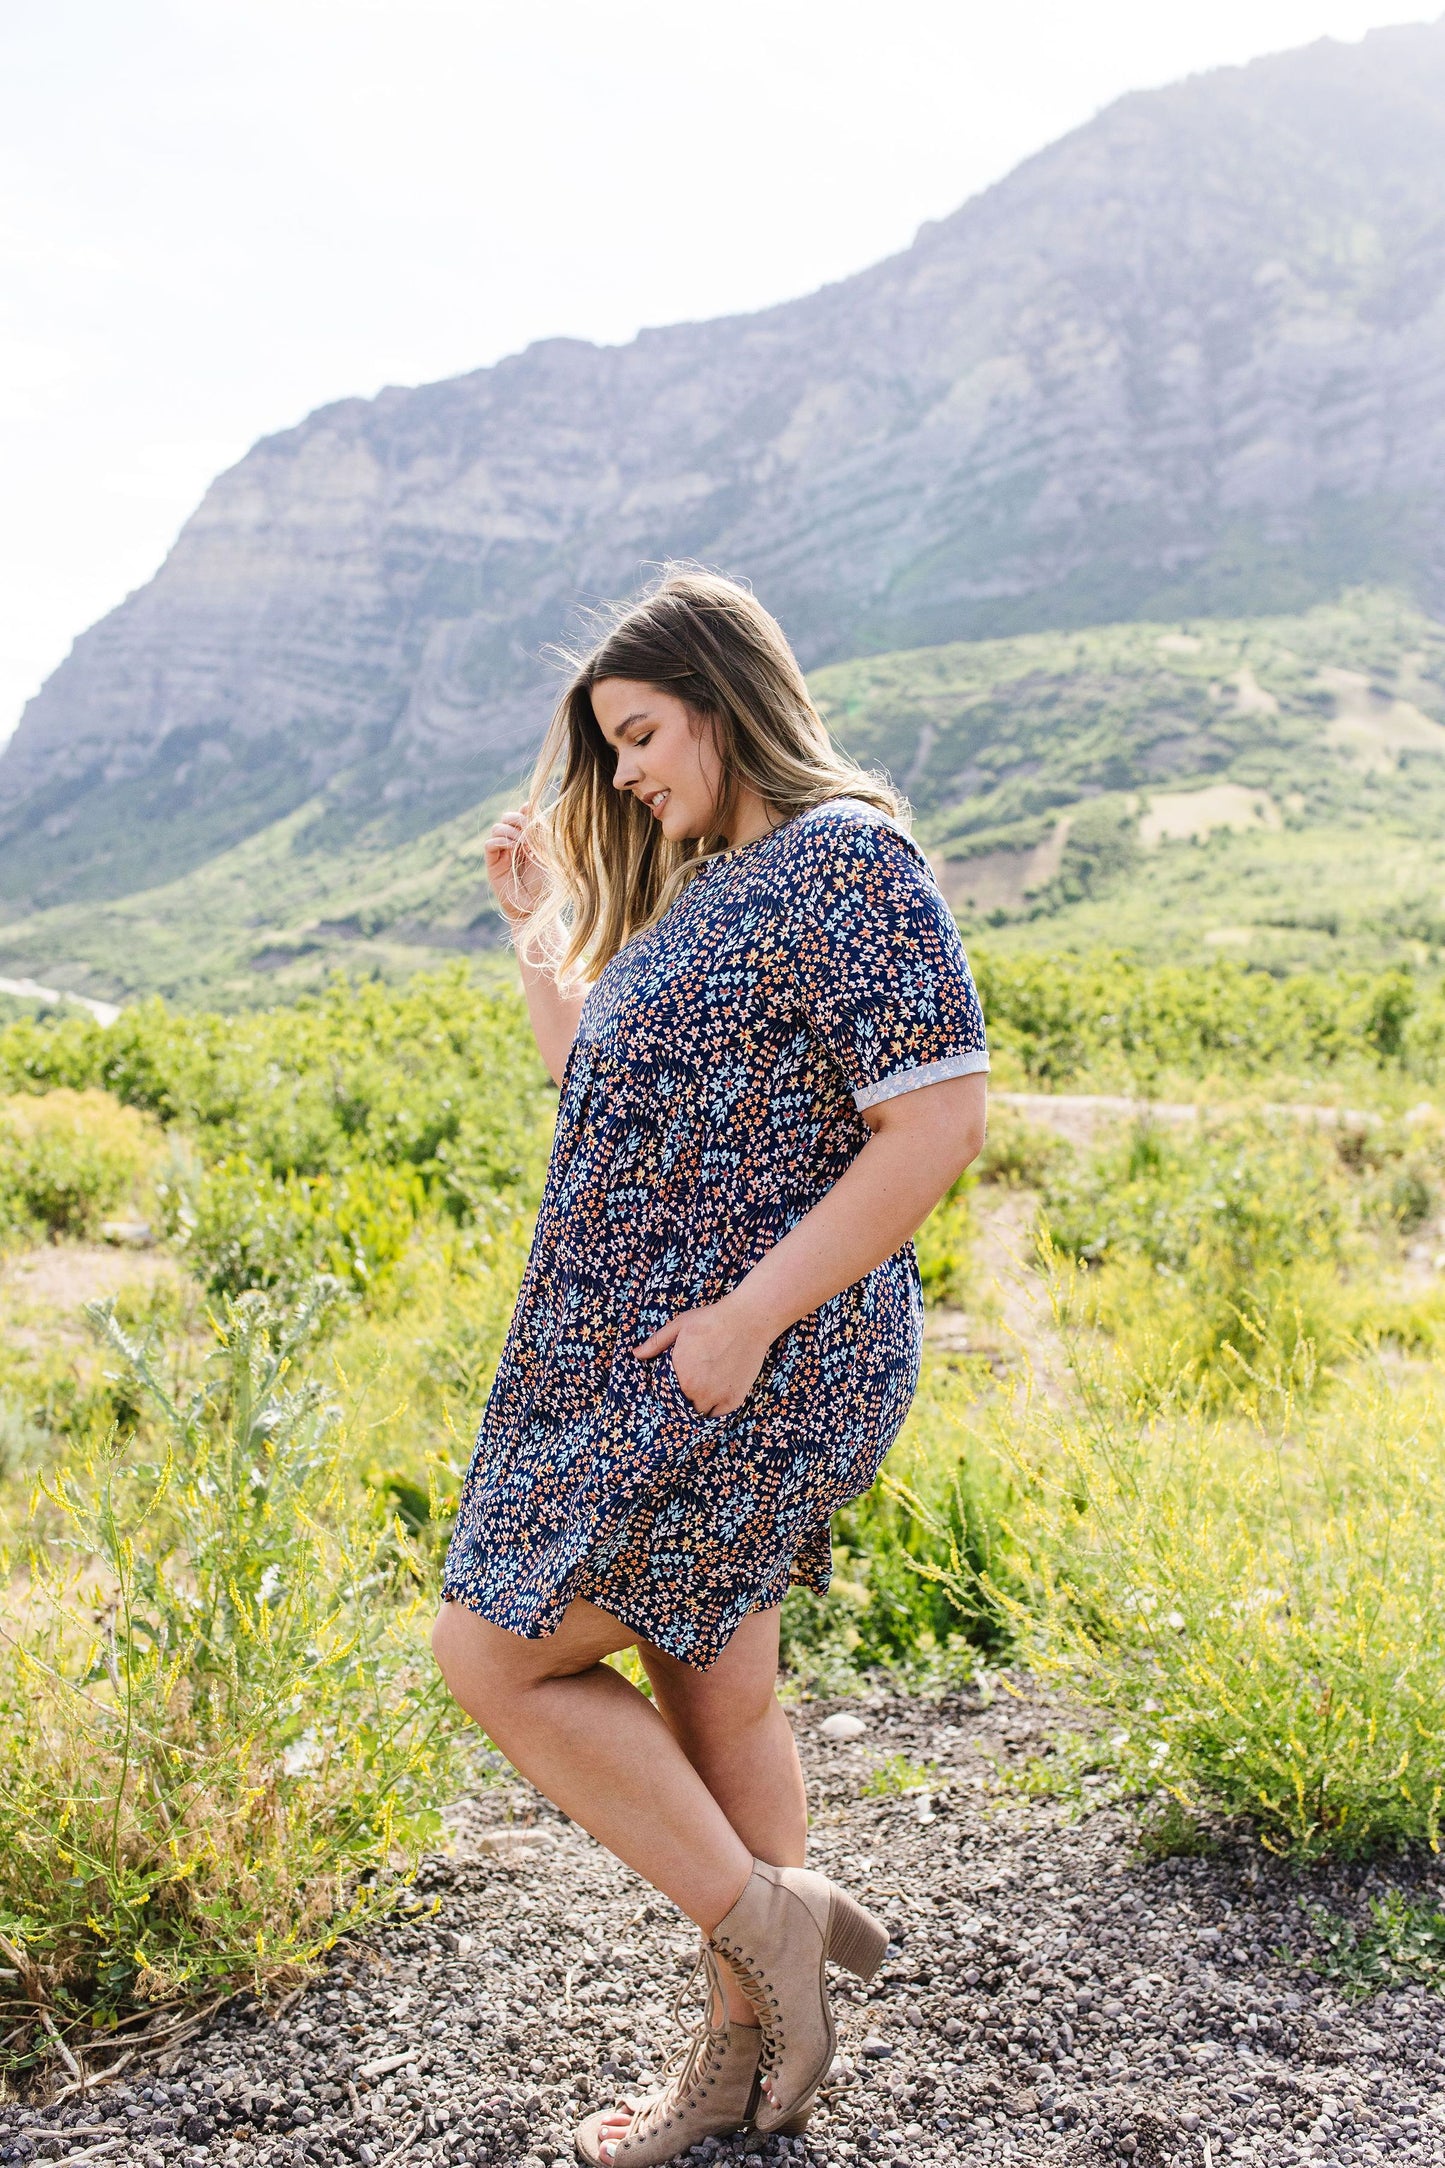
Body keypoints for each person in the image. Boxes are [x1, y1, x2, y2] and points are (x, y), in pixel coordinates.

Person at [432, 568, 988, 2167]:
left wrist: (745, 1317)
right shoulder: (706, 894)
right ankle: (743, 2065)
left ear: (725, 700)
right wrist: (540, 932)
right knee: (714, 1686)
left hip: (762, 1357)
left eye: (639, 733)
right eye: (606, 748)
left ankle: (770, 1927)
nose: (624, 774)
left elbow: (934, 1126)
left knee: (495, 1650)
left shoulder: (846, 863)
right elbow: (603, 1094)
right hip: (677, 1359)